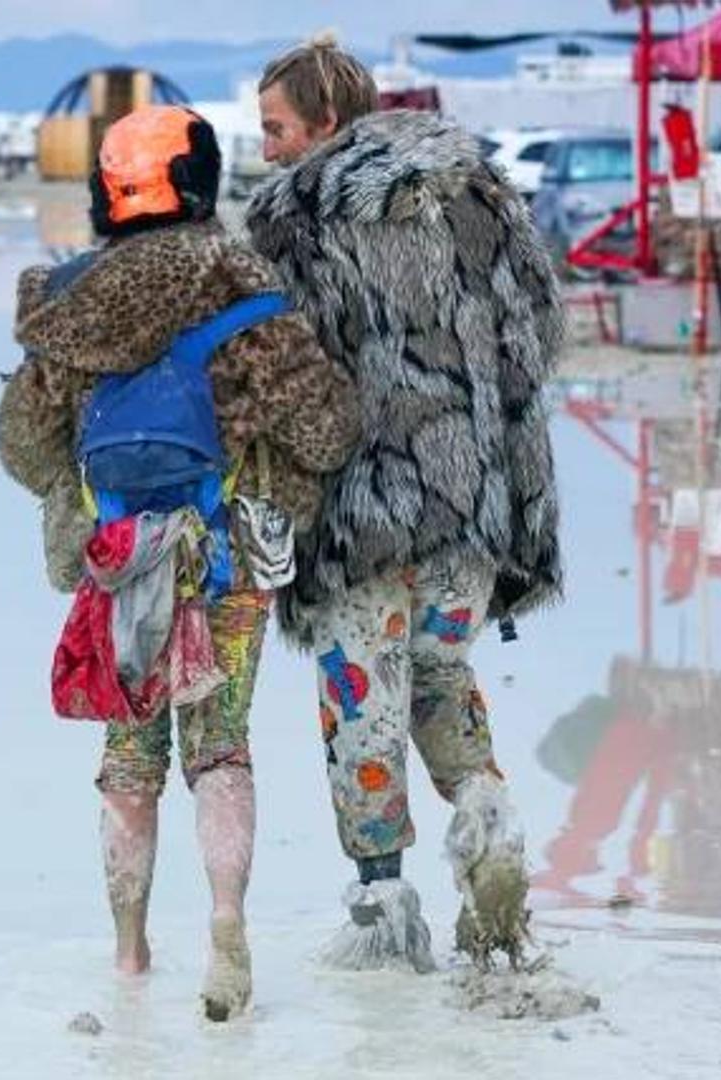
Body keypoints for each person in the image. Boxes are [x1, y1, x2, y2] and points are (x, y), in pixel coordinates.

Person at [0, 105, 359, 1018]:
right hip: (228, 556)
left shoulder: (66, 300)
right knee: (221, 746)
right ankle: (228, 924)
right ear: (197, 181)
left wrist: (93, 507)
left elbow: (24, 446)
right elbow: (325, 426)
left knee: (129, 757)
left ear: (106, 190)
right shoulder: (242, 286)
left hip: (115, 565)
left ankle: (127, 956)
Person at [247, 36, 567, 970]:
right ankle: (488, 821)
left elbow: (281, 380)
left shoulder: (297, 217)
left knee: (363, 707)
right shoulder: (480, 193)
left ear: (326, 124)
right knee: (441, 678)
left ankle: (385, 907)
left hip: (361, 512)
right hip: (475, 502)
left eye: (275, 129)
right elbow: (537, 335)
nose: (264, 149)